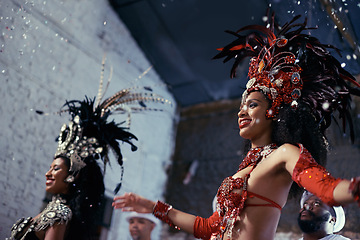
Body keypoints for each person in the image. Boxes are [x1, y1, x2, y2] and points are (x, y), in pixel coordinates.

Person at [112, 13, 360, 240]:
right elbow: (208, 228)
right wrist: (154, 207)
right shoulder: (245, 168)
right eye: (241, 105)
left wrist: (354, 189)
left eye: (252, 104)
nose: (242, 111)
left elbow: (327, 190)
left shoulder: (284, 154)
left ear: (273, 111)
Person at [8, 71, 170, 239]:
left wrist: (154, 207)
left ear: (72, 176)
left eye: (55, 169)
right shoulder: (53, 211)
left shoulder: (59, 214)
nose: (47, 173)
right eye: (50, 168)